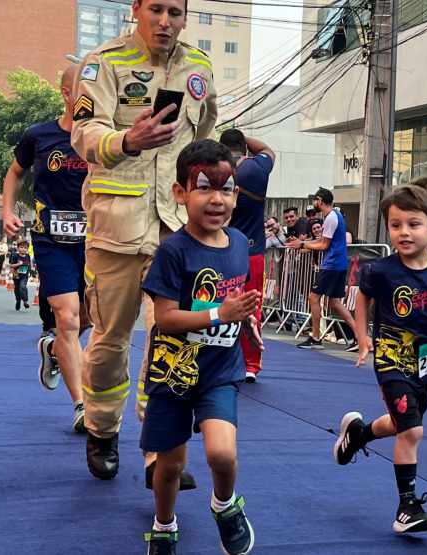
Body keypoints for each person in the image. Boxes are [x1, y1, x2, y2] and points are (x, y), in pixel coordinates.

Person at [71, 0, 218, 483]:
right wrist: (126, 141)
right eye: (155, 8)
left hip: (177, 233)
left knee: (173, 338)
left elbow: (204, 139)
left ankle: (160, 452)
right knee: (111, 342)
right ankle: (101, 429)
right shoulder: (104, 62)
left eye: (175, 12)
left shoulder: (199, 66)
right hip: (117, 229)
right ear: (136, 8)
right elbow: (85, 131)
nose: (165, 21)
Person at [333, 177, 427, 534]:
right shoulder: (382, 270)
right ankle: (407, 507)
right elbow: (363, 296)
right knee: (412, 431)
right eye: (396, 225)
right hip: (392, 359)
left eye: (414, 225)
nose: (404, 232)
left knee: (402, 425)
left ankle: (359, 434)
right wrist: (362, 334)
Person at [140, 140, 261, 555]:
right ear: (179, 194)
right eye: (204, 187)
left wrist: (246, 322)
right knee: (170, 465)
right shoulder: (173, 250)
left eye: (226, 189)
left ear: (237, 195)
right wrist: (218, 316)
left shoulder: (241, 244)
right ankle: (163, 525)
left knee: (222, 454)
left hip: (219, 371)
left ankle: (225, 506)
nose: (216, 199)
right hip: (173, 370)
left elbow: (235, 300)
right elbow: (165, 318)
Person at [3, 63, 90, 433]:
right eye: (83, 91)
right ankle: (83, 406)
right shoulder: (38, 135)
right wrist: (7, 209)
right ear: (67, 94)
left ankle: (53, 350)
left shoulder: (106, 140)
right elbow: (15, 172)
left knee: (95, 318)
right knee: (67, 318)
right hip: (50, 238)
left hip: (97, 241)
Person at [220, 129, 275, 383]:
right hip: (253, 250)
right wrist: (244, 137)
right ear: (244, 148)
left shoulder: (216, 170)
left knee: (217, 303)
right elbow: (268, 151)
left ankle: (219, 358)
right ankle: (251, 365)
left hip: (220, 247)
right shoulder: (256, 168)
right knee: (253, 306)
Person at [287, 188, 359, 352]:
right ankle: (360, 336)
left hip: (332, 264)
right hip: (337, 264)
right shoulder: (333, 216)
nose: (313, 204)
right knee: (334, 303)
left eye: (315, 200)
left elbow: (324, 245)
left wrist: (303, 244)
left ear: (320, 201)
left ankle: (316, 338)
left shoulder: (331, 218)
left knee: (313, 298)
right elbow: (324, 240)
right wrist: (302, 243)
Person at [9, 240, 32, 310]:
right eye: (21, 247)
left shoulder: (28, 256)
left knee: (23, 287)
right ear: (18, 248)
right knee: (17, 290)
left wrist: (32, 267)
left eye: (25, 248)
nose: (23, 249)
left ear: (27, 249)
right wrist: (18, 264)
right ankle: (18, 300)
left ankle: (25, 301)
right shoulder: (15, 256)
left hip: (24, 276)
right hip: (16, 276)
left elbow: (30, 262)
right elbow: (11, 265)